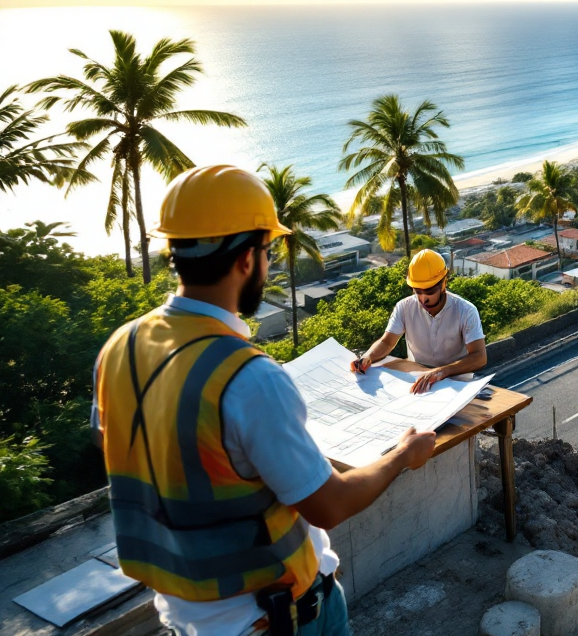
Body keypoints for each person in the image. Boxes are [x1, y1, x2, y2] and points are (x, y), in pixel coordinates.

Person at [92, 165, 437, 636]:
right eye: (269, 251)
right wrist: (403, 455)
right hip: (278, 618)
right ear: (246, 259)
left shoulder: (120, 347)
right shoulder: (248, 377)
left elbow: (115, 443)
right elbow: (329, 506)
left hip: (184, 617)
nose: (270, 263)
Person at [350, 249, 487, 393]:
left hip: (457, 384)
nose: (423, 299)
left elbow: (479, 357)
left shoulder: (466, 311)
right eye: (418, 291)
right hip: (418, 381)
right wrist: (368, 357)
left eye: (429, 292)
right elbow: (386, 342)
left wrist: (442, 371)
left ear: (444, 283)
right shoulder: (404, 307)